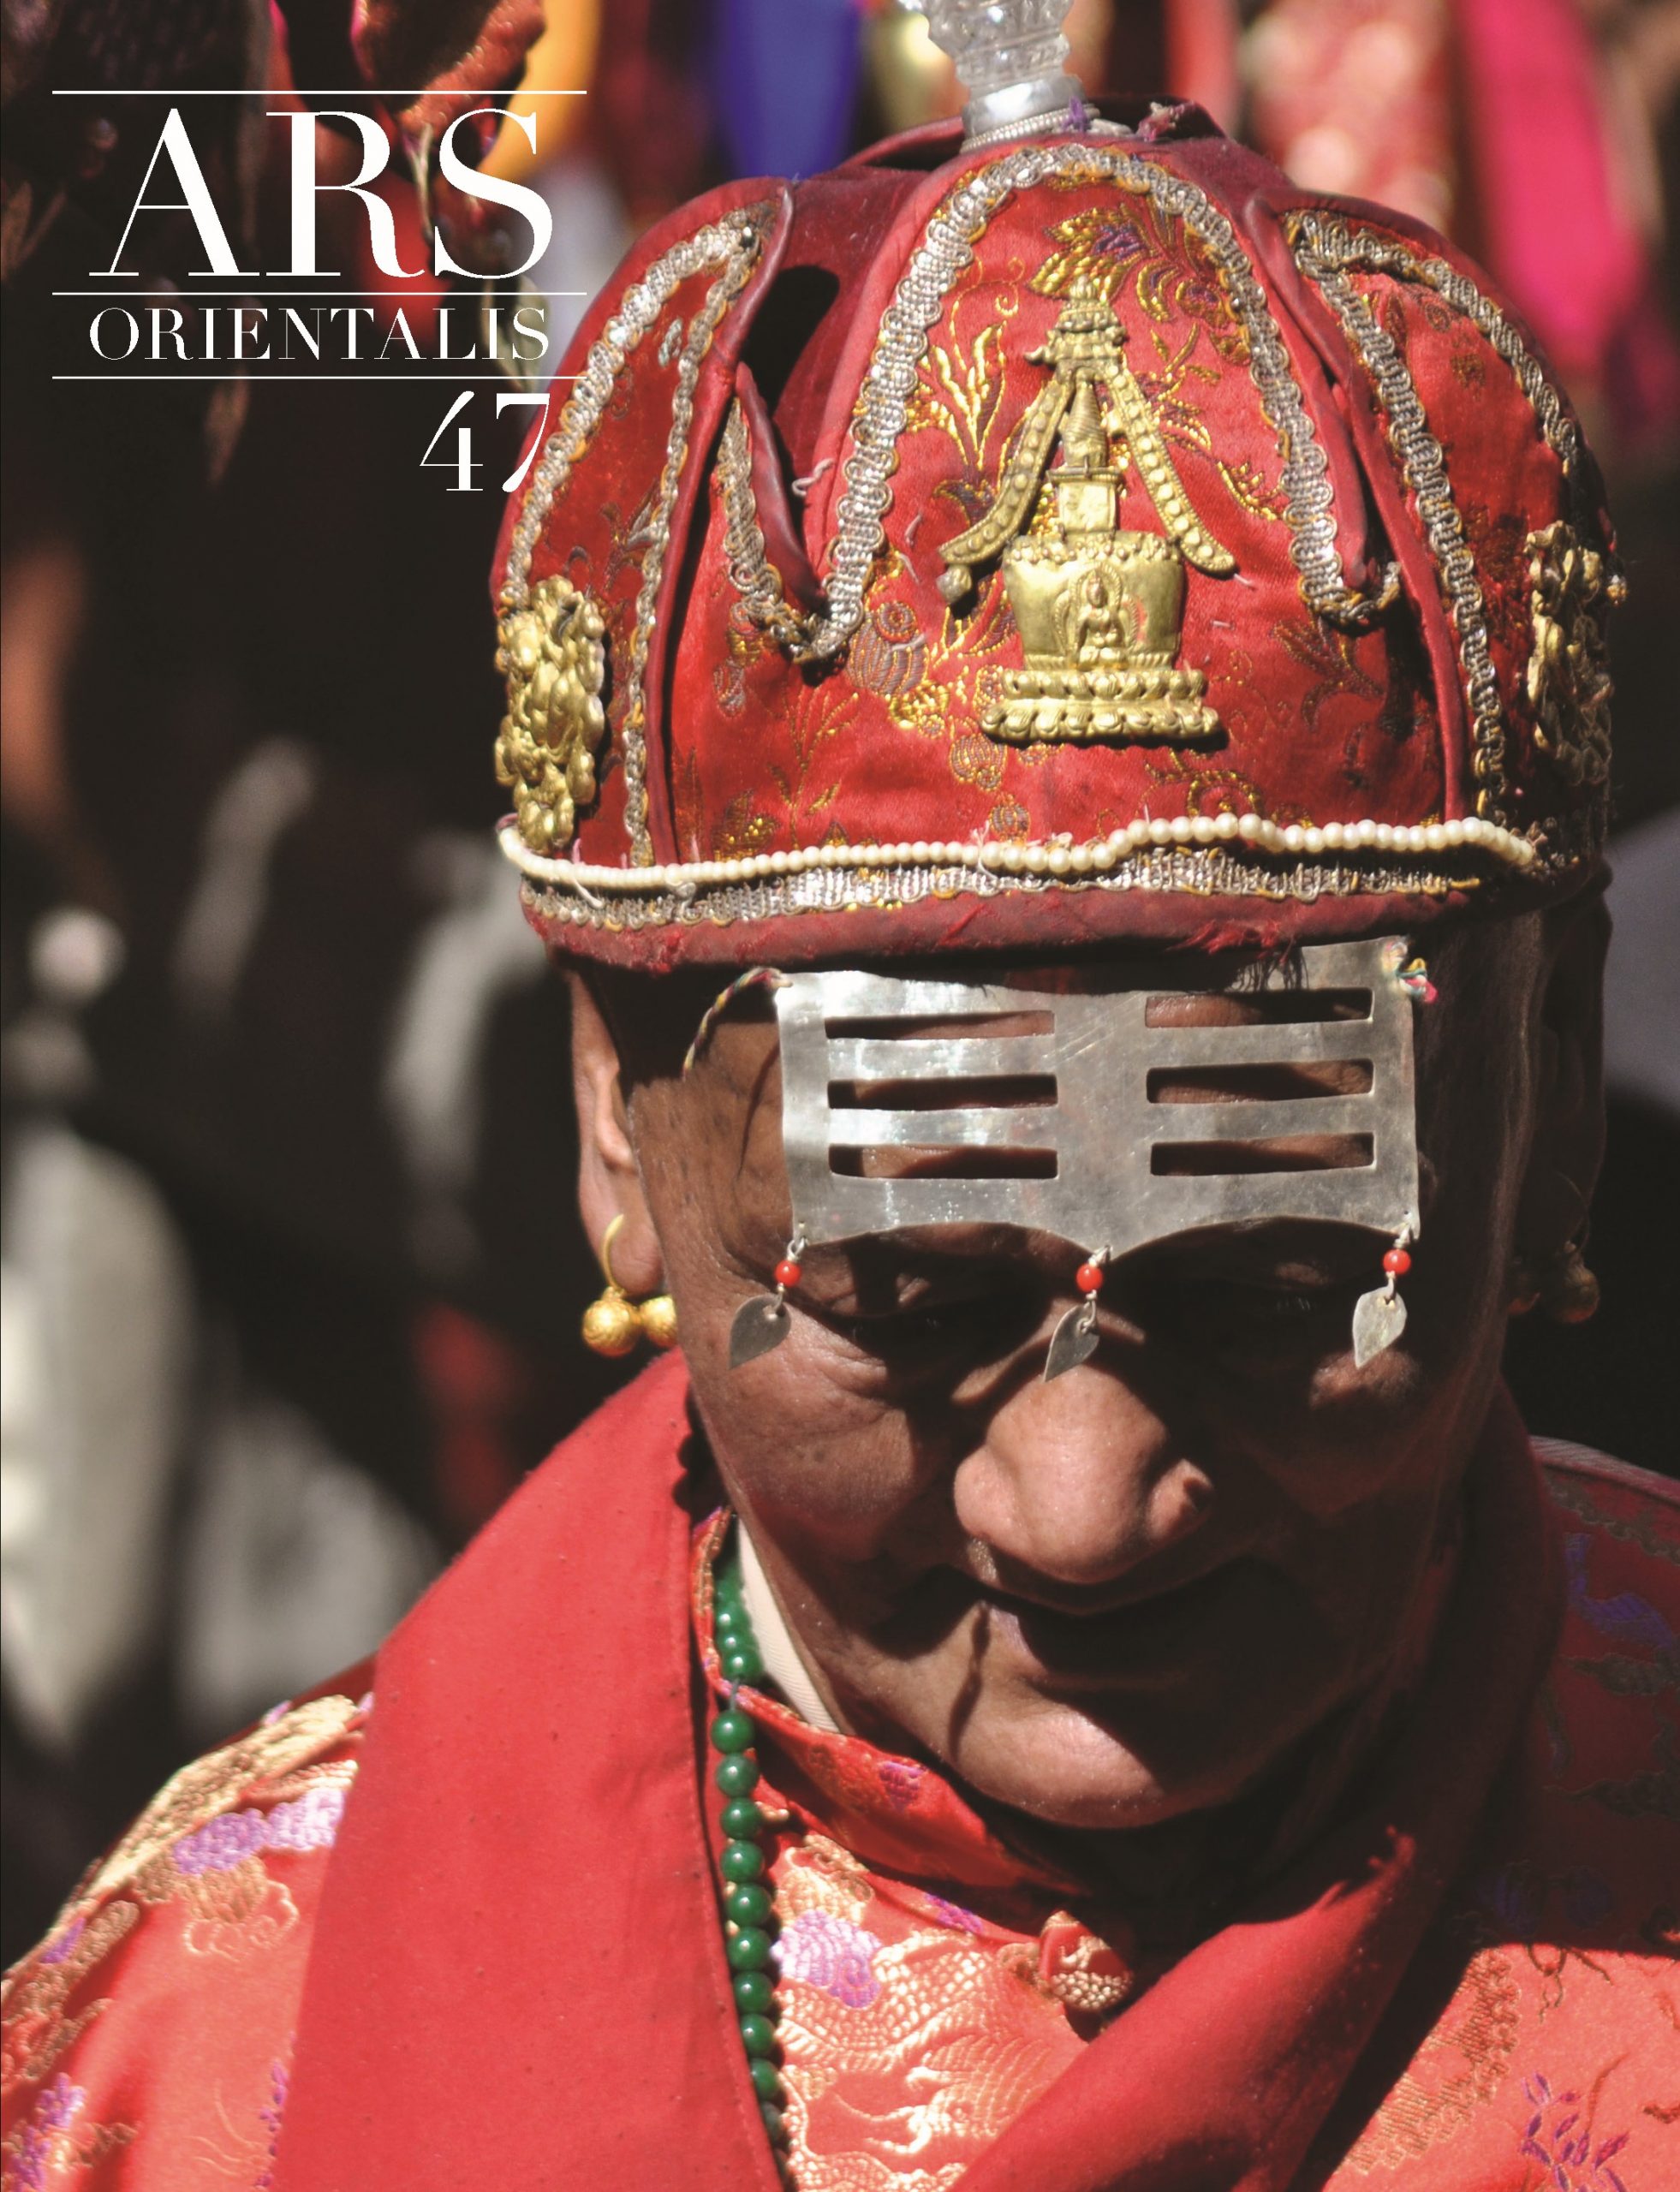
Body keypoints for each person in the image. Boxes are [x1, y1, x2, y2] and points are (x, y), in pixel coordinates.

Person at [3, 15, 1675, 2188]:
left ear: (1539, 1095)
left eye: (1271, 1276)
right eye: (911, 1293)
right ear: (620, 1121)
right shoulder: (196, 2070)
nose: (1080, 1504)